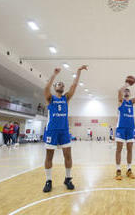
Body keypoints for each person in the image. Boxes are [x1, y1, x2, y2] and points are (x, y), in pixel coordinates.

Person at [43, 65, 87, 193]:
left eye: (62, 85)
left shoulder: (66, 98)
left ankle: (68, 179)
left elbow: (74, 86)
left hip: (64, 131)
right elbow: (46, 88)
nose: (61, 86)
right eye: (58, 84)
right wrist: (54, 75)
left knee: (68, 156)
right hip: (51, 131)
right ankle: (48, 181)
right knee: (49, 156)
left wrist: (78, 72)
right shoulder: (50, 98)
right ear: (54, 87)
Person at [115, 77, 135, 180]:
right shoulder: (121, 101)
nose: (126, 92)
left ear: (130, 94)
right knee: (118, 149)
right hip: (121, 128)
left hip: (131, 129)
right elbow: (119, 91)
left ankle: (129, 170)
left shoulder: (131, 102)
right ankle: (118, 170)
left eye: (128, 91)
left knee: (129, 150)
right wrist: (127, 84)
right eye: (125, 91)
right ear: (123, 93)